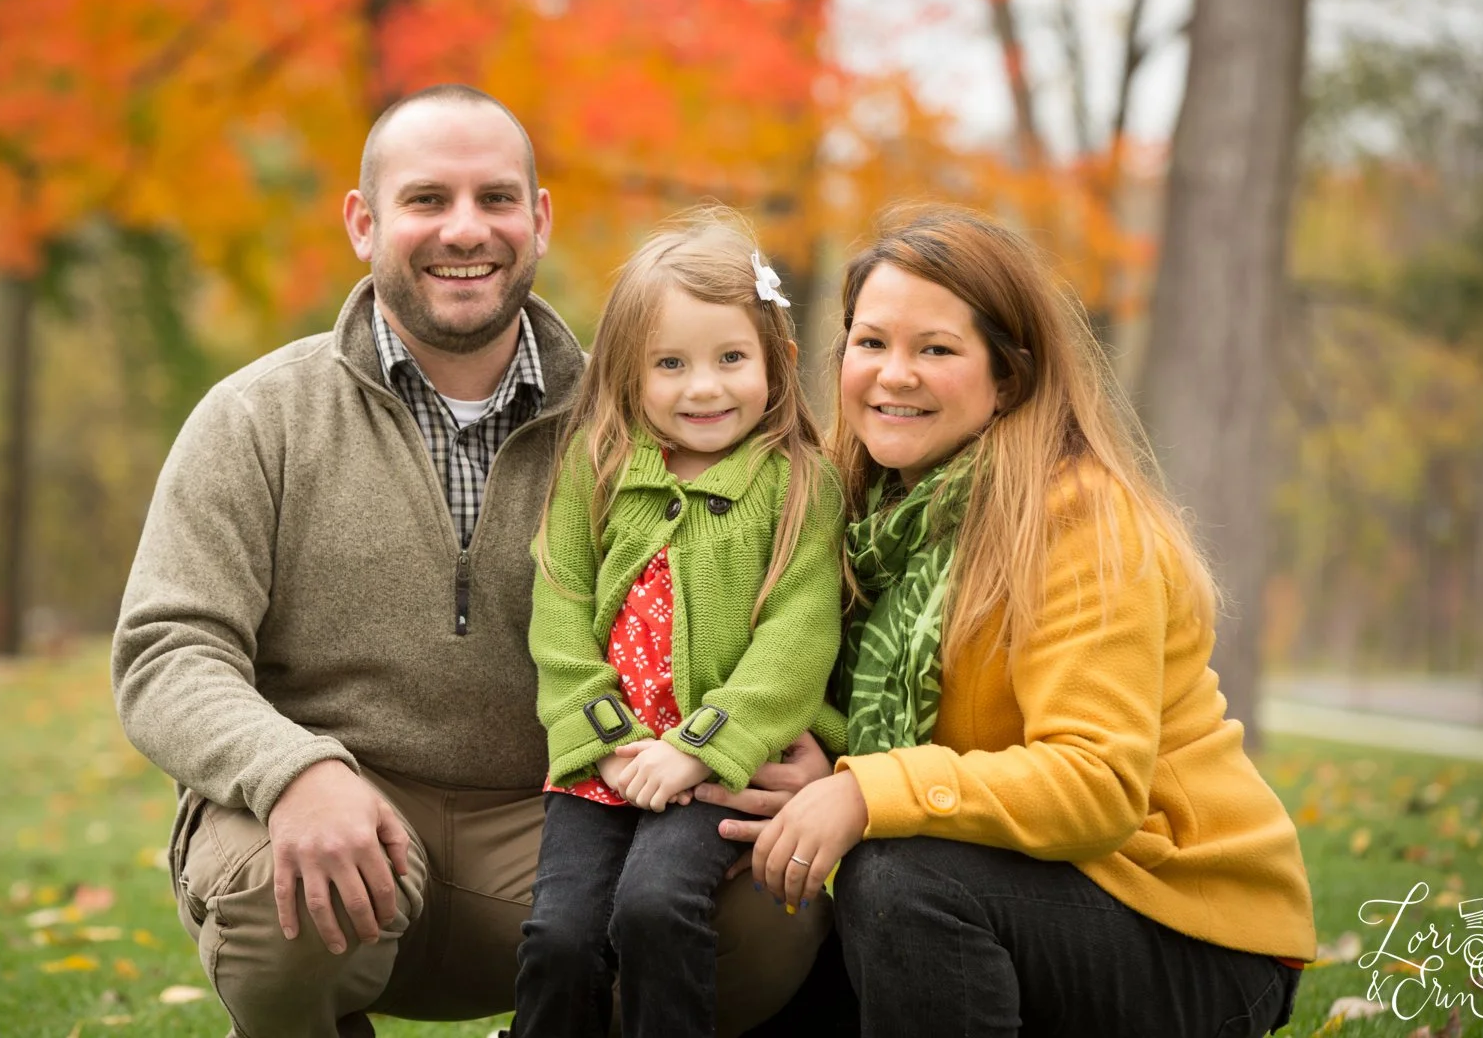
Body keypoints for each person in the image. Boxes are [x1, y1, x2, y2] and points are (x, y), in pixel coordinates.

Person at [111, 85, 826, 1038]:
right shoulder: (259, 417)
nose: (464, 229)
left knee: (762, 904)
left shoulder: (638, 419)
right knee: (275, 909)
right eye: (425, 200)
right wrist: (288, 771)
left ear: (538, 221)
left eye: (494, 199)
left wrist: (805, 749)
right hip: (340, 807)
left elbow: (782, 605)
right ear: (364, 224)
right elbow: (167, 647)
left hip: (567, 812)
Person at [709, 203, 1317, 1037]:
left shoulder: (1080, 521)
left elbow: (1095, 787)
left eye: (937, 350)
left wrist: (862, 791)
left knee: (899, 881)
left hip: (1183, 922)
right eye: (873, 341)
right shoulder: (863, 513)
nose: (894, 374)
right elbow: (913, 737)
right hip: (1008, 885)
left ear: (1009, 377)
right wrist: (823, 770)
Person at [514, 213, 847, 1038]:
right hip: (606, 763)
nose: (704, 388)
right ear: (629, 375)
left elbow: (797, 642)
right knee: (559, 936)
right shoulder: (595, 471)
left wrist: (697, 746)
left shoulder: (798, 486)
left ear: (775, 360)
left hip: (716, 771)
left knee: (657, 909)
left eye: (731, 359)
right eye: (671, 364)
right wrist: (610, 737)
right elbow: (557, 615)